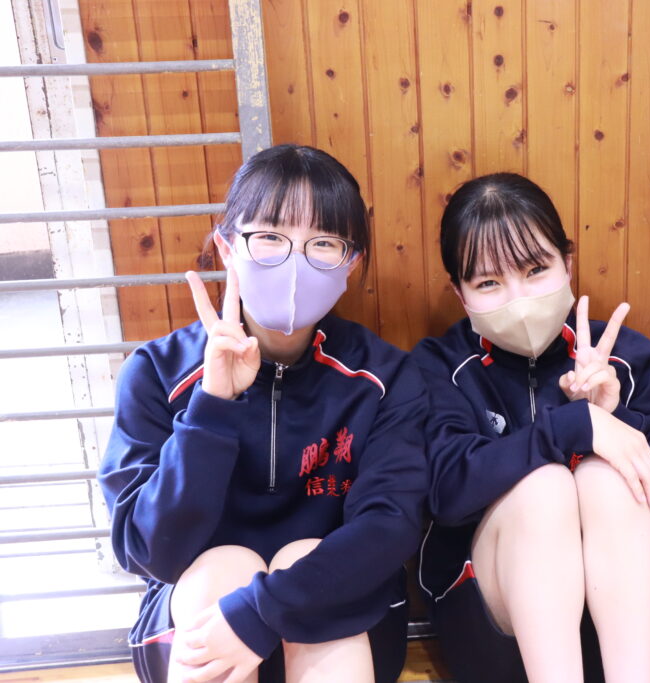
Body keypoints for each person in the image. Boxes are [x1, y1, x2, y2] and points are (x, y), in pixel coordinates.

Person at [99, 144, 428, 683]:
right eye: (270, 237)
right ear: (228, 247)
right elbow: (150, 552)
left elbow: (388, 528)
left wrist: (263, 611)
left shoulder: (385, 377)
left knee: (305, 553)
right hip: (198, 624)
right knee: (223, 568)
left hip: (338, 627)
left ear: (351, 264)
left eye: (323, 243)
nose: (294, 261)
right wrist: (211, 407)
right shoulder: (156, 372)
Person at [411, 172, 650, 683]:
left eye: (535, 270)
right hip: (492, 636)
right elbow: (445, 495)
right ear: (459, 294)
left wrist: (617, 419)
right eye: (488, 283)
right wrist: (571, 427)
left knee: (608, 477)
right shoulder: (440, 366)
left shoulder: (628, 358)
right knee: (543, 488)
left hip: (626, 633)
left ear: (567, 263)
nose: (518, 297)